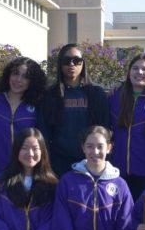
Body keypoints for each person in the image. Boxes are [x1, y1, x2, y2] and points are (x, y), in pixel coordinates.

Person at [39, 44, 110, 176]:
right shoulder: (50, 94)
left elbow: (104, 129)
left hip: (90, 161)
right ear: (60, 64)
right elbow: (43, 131)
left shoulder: (96, 94)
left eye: (76, 60)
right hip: (58, 163)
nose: (71, 64)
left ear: (83, 63)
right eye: (66, 61)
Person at [110, 52, 145, 197]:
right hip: (118, 172)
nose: (139, 72)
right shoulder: (115, 97)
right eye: (135, 68)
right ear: (129, 72)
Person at [0, 56, 45, 180]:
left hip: (27, 172)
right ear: (8, 75)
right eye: (15, 74)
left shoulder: (38, 105)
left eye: (25, 76)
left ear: (32, 81)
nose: (18, 80)